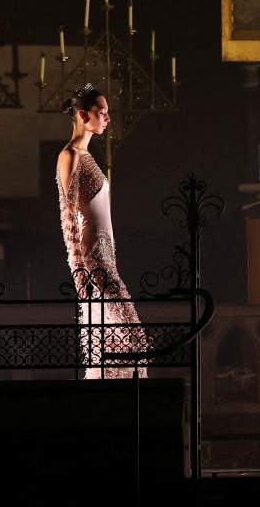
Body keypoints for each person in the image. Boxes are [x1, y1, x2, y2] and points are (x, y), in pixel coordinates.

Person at [56, 83, 147, 379]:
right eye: (102, 112)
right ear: (84, 115)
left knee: (121, 339)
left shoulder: (88, 155)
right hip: (93, 260)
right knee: (129, 335)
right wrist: (78, 269)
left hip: (107, 256)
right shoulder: (70, 155)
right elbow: (68, 216)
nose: (108, 117)